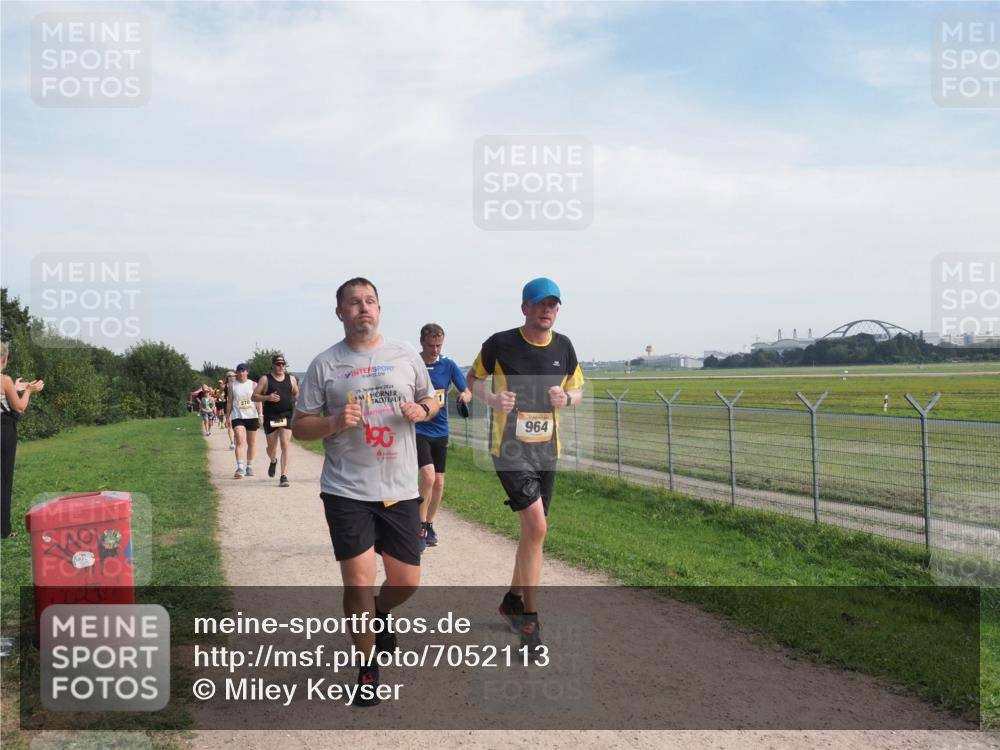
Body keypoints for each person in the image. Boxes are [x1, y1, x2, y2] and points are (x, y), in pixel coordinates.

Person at [292, 277, 439, 706]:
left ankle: (380, 612)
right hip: (346, 490)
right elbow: (301, 426)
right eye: (354, 303)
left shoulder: (405, 355)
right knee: (357, 583)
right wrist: (335, 422)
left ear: (379, 309)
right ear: (340, 313)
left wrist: (421, 409)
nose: (363, 309)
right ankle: (367, 665)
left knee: (407, 581)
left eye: (370, 301)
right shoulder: (324, 365)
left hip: (399, 489)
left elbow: (434, 400)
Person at [466, 278, 583, 659]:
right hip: (509, 450)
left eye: (553, 304)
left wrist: (566, 397)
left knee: (534, 534)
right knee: (537, 527)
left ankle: (514, 599)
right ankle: (530, 624)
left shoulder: (564, 347)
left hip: (547, 452)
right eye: (540, 303)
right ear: (525, 309)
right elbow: (472, 381)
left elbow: (577, 389)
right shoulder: (500, 343)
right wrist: (492, 398)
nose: (547, 310)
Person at [414, 323, 471, 552]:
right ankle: (418, 527)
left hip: (441, 430)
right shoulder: (413, 363)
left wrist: (464, 397)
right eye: (431, 345)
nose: (435, 350)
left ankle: (429, 524)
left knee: (439, 482)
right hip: (418, 430)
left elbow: (466, 388)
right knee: (427, 477)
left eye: (439, 345)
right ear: (422, 342)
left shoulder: (448, 364)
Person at [1, 342, 45, 540]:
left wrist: (15, 387)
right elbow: (18, 407)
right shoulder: (4, 379)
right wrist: (28, 391)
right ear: (3, 359)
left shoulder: (7, 382)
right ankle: (3, 529)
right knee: (4, 478)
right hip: (3, 432)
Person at [254, 354, 299, 487]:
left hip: (286, 415)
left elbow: (296, 393)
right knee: (271, 447)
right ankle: (273, 460)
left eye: (283, 364)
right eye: (278, 364)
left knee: (285, 444)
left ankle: (284, 476)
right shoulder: (265, 379)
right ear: (273, 365)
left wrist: (299, 402)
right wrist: (267, 397)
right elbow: (254, 396)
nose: (280, 366)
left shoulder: (291, 379)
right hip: (271, 416)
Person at [228, 363, 262, 479]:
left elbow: (258, 401)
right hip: (238, 416)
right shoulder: (232, 385)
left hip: (252, 416)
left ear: (247, 372)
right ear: (237, 373)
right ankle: (240, 467)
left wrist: (261, 414)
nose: (241, 373)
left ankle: (249, 466)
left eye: (243, 371)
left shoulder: (253, 384)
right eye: (239, 371)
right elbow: (229, 402)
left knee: (251, 443)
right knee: (240, 440)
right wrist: (228, 417)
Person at [220, 372, 236, 449]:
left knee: (236, 425)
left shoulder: (238, 385)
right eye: (230, 376)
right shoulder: (224, 386)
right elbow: (220, 394)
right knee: (230, 424)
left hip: (237, 406)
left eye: (234, 376)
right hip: (228, 406)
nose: (232, 377)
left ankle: (236, 439)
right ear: (227, 377)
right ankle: (232, 442)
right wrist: (222, 397)